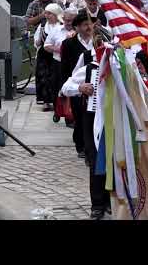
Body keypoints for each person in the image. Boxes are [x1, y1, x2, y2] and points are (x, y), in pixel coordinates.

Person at [61, 37, 111, 219]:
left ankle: (110, 200)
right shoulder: (90, 68)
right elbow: (66, 87)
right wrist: (80, 87)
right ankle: (97, 203)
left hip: (113, 119)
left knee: (112, 159)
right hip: (92, 118)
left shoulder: (120, 67)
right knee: (96, 158)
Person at [61, 12, 96, 159]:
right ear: (77, 27)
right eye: (85, 25)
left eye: (90, 24)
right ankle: (81, 145)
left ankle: (90, 146)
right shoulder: (69, 43)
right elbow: (65, 68)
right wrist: (66, 88)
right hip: (78, 84)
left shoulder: (98, 41)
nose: (89, 27)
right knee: (79, 116)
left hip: (95, 87)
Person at [44, 7, 77, 111]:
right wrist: (60, 49)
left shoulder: (79, 30)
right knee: (56, 87)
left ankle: (70, 113)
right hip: (58, 63)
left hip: (74, 64)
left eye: (72, 20)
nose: (69, 23)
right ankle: (57, 110)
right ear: (63, 18)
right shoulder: (56, 30)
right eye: (67, 20)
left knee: (71, 88)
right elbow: (46, 46)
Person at [33, 3, 64, 111]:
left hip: (55, 55)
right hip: (43, 55)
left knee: (54, 77)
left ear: (56, 15)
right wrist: (37, 42)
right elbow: (36, 42)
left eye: (50, 13)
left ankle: (55, 100)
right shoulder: (42, 26)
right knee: (43, 77)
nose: (47, 15)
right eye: (46, 13)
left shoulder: (61, 26)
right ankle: (45, 101)